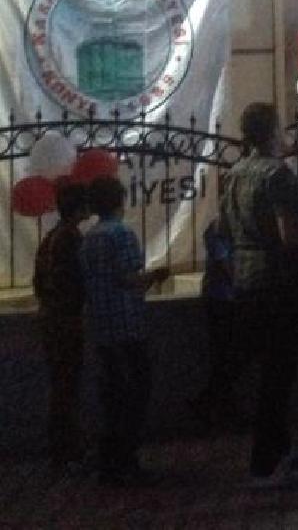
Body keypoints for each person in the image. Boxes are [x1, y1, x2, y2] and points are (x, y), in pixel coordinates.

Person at [219, 102, 298, 484]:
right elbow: (290, 236)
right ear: (273, 131)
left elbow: (223, 229)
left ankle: (281, 449)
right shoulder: (278, 175)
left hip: (244, 278)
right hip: (277, 281)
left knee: (264, 371)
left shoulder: (235, 173)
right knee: (278, 375)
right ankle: (266, 462)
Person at [79, 175, 170, 486]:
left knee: (112, 396)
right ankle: (126, 459)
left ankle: (110, 460)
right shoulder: (122, 233)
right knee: (135, 393)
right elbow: (129, 278)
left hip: (102, 326)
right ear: (121, 200)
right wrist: (154, 276)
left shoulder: (89, 238)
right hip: (127, 325)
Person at [33, 180, 90, 469]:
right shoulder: (70, 238)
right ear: (79, 208)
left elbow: (39, 282)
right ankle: (66, 449)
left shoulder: (52, 237)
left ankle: (62, 448)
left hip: (51, 317)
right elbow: (76, 282)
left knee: (61, 384)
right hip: (65, 320)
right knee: (67, 385)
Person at [191, 215, 242, 430]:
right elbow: (223, 264)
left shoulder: (225, 225)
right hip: (222, 298)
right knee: (226, 356)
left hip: (223, 297)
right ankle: (212, 403)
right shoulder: (220, 226)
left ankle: (215, 404)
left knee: (226, 356)